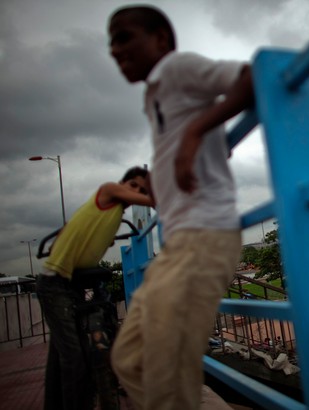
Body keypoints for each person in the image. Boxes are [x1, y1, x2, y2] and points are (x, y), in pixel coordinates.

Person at [107, 5, 254, 409]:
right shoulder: (154, 93)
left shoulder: (177, 68)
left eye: (123, 37)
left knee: (164, 368)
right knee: (131, 359)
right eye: (110, 42)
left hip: (204, 235)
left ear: (160, 40)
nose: (114, 50)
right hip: (178, 243)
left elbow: (250, 76)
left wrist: (194, 130)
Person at [36, 166, 154, 410]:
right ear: (123, 183)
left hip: (71, 283)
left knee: (60, 355)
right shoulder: (109, 189)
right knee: (74, 359)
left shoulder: (113, 214)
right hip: (55, 282)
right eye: (133, 186)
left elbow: (75, 227)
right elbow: (152, 200)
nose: (136, 192)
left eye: (141, 189)